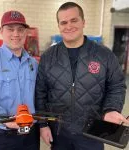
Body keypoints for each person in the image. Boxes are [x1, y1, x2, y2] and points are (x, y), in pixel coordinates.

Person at [35, 2, 129, 150]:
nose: (69, 26)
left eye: (74, 20)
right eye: (63, 22)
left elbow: (116, 86)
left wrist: (111, 109)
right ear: (59, 26)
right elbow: (40, 92)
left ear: (83, 22)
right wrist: (43, 125)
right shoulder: (48, 57)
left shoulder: (104, 55)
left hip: (92, 132)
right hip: (59, 133)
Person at [0, 10, 40, 150]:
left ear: (26, 32)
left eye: (20, 29)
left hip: (30, 136)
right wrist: (7, 120)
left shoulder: (34, 64)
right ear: (1, 31)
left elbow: (40, 97)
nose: (16, 34)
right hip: (0, 137)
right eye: (10, 29)